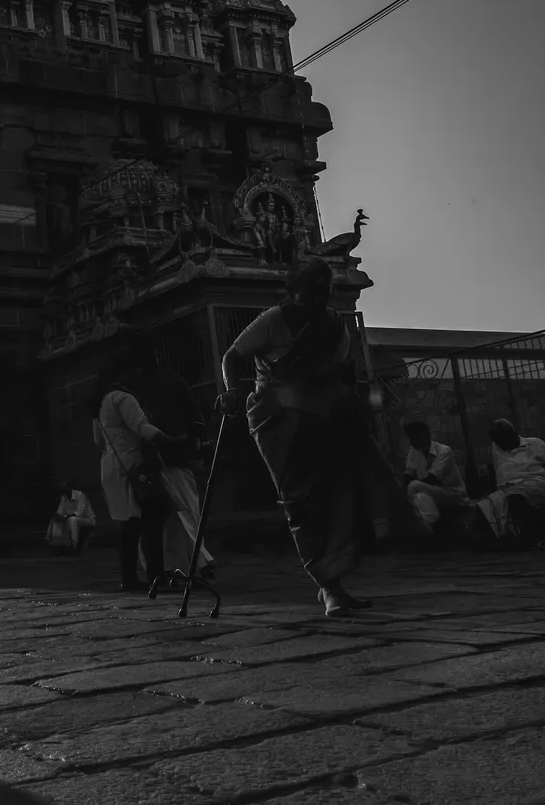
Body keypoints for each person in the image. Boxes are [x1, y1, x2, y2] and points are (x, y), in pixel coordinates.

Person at [219, 259, 402, 617]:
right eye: (309, 292)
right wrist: (230, 391)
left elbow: (337, 374)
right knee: (301, 501)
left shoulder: (335, 327)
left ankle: (333, 585)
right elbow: (231, 357)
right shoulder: (274, 319)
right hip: (279, 423)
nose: (315, 299)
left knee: (337, 497)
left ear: (328, 294)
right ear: (297, 293)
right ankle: (329, 585)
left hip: (325, 420)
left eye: (322, 292)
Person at [93, 334, 186, 591]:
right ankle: (155, 575)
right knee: (151, 522)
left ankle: (130, 578)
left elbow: (98, 441)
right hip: (134, 467)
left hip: (112, 466)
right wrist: (174, 441)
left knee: (129, 525)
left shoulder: (101, 403)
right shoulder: (123, 398)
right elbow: (143, 428)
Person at [130, 331, 216, 579]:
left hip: (175, 457)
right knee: (157, 521)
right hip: (148, 461)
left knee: (187, 512)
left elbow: (193, 414)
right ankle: (166, 567)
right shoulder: (131, 389)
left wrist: (196, 439)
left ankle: (196, 562)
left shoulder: (171, 381)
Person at [475, 419, 545, 549]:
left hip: (535, 484)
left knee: (516, 497)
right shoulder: (496, 447)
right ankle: (501, 538)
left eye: (505, 439)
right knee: (483, 506)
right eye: (498, 441)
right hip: (507, 488)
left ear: (514, 434)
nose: (502, 444)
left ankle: (527, 538)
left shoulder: (534, 443)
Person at [401, 421, 468, 534]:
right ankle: (431, 528)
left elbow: (433, 479)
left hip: (452, 494)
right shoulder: (414, 451)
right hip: (430, 492)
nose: (410, 442)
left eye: (413, 437)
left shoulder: (444, 451)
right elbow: (409, 474)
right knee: (420, 496)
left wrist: (412, 487)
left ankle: (428, 527)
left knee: (415, 486)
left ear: (424, 435)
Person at [51, 484, 96, 556]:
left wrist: (66, 516)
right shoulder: (64, 497)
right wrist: (59, 517)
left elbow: (81, 512)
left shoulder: (80, 494)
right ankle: (57, 546)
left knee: (73, 520)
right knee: (56, 521)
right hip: (70, 519)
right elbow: (60, 512)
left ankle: (74, 546)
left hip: (87, 519)